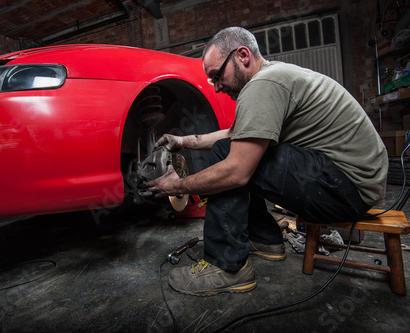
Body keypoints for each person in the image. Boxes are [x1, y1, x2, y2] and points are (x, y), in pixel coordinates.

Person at [146, 27, 388, 296]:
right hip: (350, 185)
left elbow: (236, 172)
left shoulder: (263, 85)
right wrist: (183, 141)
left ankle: (226, 267)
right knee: (238, 149)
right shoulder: (273, 76)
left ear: (242, 55)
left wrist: (177, 186)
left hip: (344, 191)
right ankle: (266, 240)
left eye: (217, 76)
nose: (216, 87)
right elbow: (238, 133)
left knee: (231, 159)